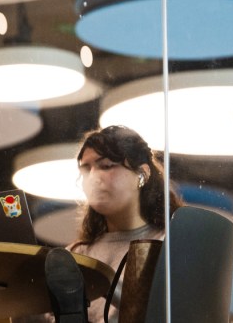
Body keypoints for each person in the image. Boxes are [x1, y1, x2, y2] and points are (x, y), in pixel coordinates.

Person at [45, 125, 183, 323]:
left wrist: (103, 282)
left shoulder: (169, 244)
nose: (92, 178)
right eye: (86, 169)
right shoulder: (76, 254)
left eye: (106, 166)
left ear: (142, 175)